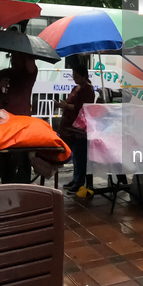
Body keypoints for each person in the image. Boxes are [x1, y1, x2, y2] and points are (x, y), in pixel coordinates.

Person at [0, 51, 38, 182]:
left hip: (22, 121)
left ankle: (23, 185)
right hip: (3, 121)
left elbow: (32, 66)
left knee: (22, 156)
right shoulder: (3, 73)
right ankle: (6, 182)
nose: (15, 61)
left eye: (18, 59)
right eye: (13, 58)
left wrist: (25, 50)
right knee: (5, 155)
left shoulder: (28, 74)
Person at [56, 63, 95, 193]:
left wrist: (65, 106)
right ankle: (75, 179)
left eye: (77, 76)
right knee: (76, 156)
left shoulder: (87, 90)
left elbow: (81, 108)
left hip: (80, 128)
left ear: (84, 76)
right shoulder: (77, 88)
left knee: (80, 155)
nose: (74, 79)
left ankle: (79, 182)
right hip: (71, 127)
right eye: (73, 76)